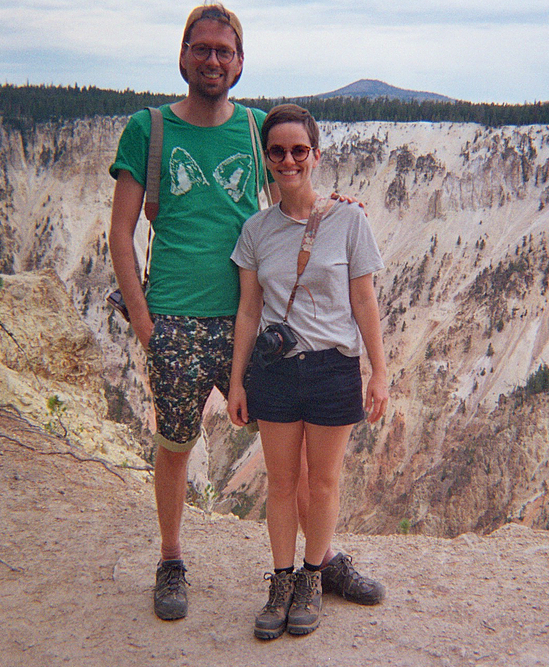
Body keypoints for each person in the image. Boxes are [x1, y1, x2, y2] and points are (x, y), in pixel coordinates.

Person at [108, 4, 382, 623]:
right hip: (175, 318)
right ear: (183, 56)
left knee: (297, 458)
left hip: (251, 327)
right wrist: (148, 327)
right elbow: (120, 234)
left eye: (224, 52)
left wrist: (336, 204)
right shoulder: (147, 130)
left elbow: (293, 182)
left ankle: (320, 559)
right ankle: (172, 558)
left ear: (239, 63)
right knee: (175, 443)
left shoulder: (257, 130)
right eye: (202, 49)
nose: (212, 61)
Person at [228, 104, 389, 639]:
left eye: (300, 150)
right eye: (278, 151)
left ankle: (313, 577)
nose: (289, 160)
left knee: (322, 483)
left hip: (333, 367)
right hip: (275, 371)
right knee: (281, 482)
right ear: (267, 159)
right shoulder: (255, 230)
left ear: (316, 156)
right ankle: (280, 581)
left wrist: (379, 372)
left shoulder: (349, 219)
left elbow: (364, 300)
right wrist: (236, 380)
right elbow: (249, 310)